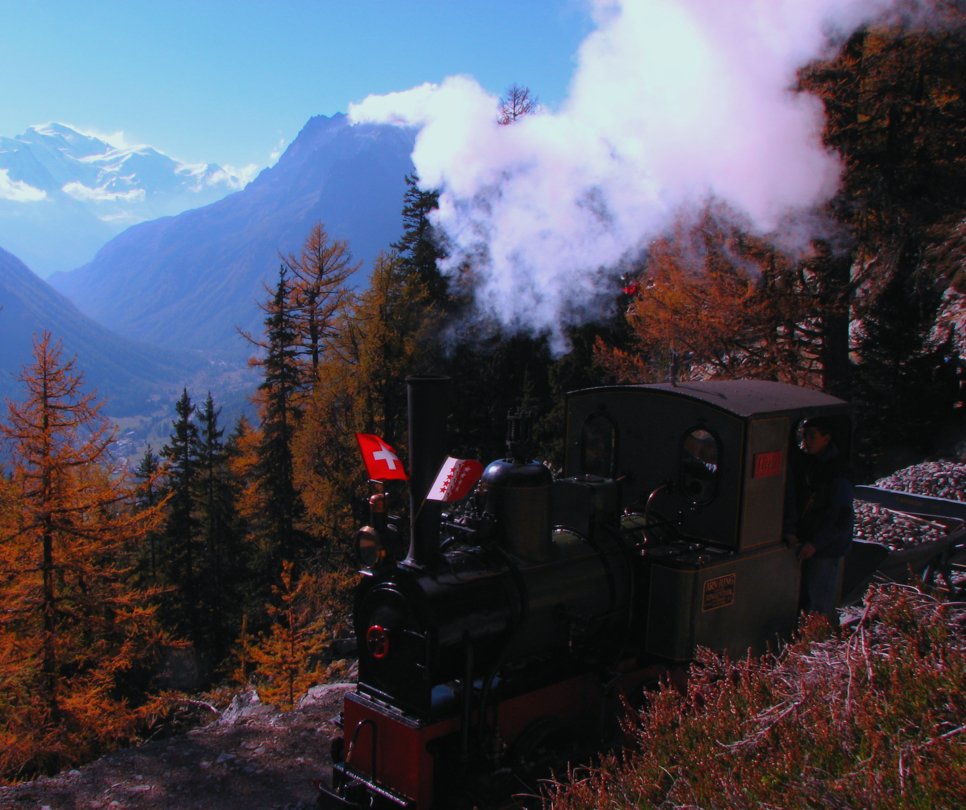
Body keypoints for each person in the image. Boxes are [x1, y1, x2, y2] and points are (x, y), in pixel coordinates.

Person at [785, 417, 854, 622]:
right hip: (807, 539)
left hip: (826, 547)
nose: (806, 441)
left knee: (817, 603)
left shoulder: (838, 472)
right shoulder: (810, 464)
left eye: (812, 435)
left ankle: (816, 643)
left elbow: (840, 516)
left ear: (826, 438)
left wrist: (817, 543)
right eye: (804, 435)